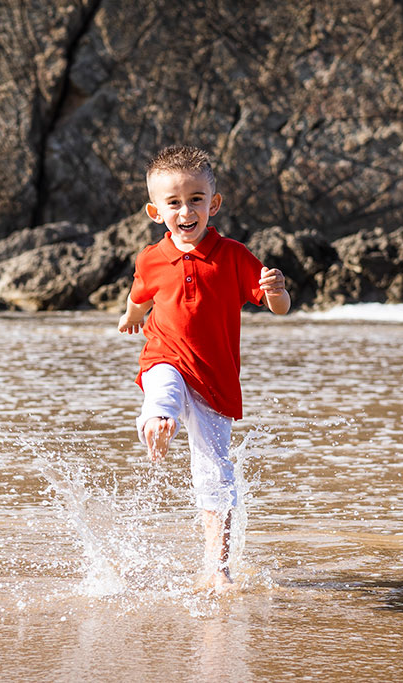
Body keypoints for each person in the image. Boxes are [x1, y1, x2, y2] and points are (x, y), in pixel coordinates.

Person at [117, 145, 291, 593]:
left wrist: (275, 291)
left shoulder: (232, 255)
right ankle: (157, 422)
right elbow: (140, 295)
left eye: (196, 199)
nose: (186, 210)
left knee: (214, 472)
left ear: (213, 204)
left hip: (215, 380)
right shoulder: (150, 258)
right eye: (173, 202)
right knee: (161, 390)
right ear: (156, 212)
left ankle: (217, 566)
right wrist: (132, 318)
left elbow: (279, 308)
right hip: (164, 356)